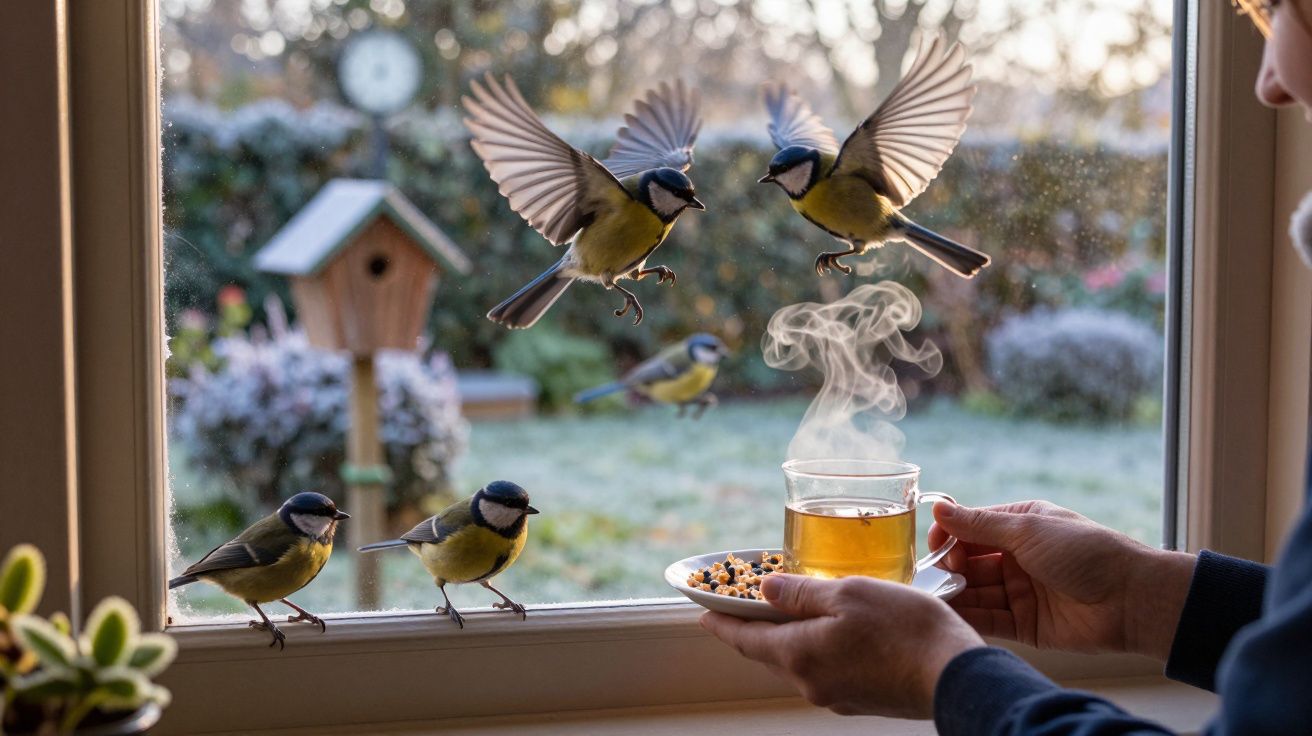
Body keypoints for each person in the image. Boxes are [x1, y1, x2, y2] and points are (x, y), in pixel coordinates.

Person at [701, 2, 1312, 732]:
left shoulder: (851, 166)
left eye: (1282, 14)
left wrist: (943, 673)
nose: (1268, 81)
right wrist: (1137, 593)